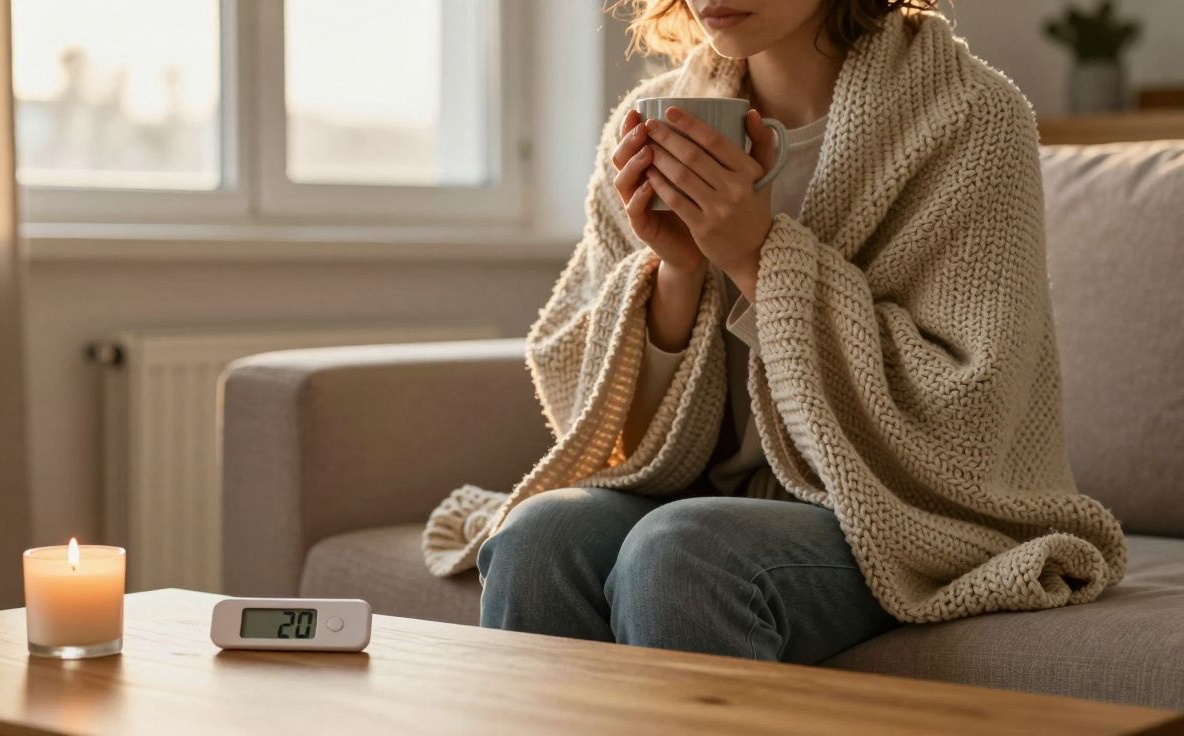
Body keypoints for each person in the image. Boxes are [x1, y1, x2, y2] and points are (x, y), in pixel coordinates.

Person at [420, 0, 1127, 665]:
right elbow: (600, 415)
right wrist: (677, 269)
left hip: (901, 509)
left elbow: (969, 415)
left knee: (683, 554)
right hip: (703, 495)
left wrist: (757, 256)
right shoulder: (649, 122)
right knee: (539, 538)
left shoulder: (971, 118)